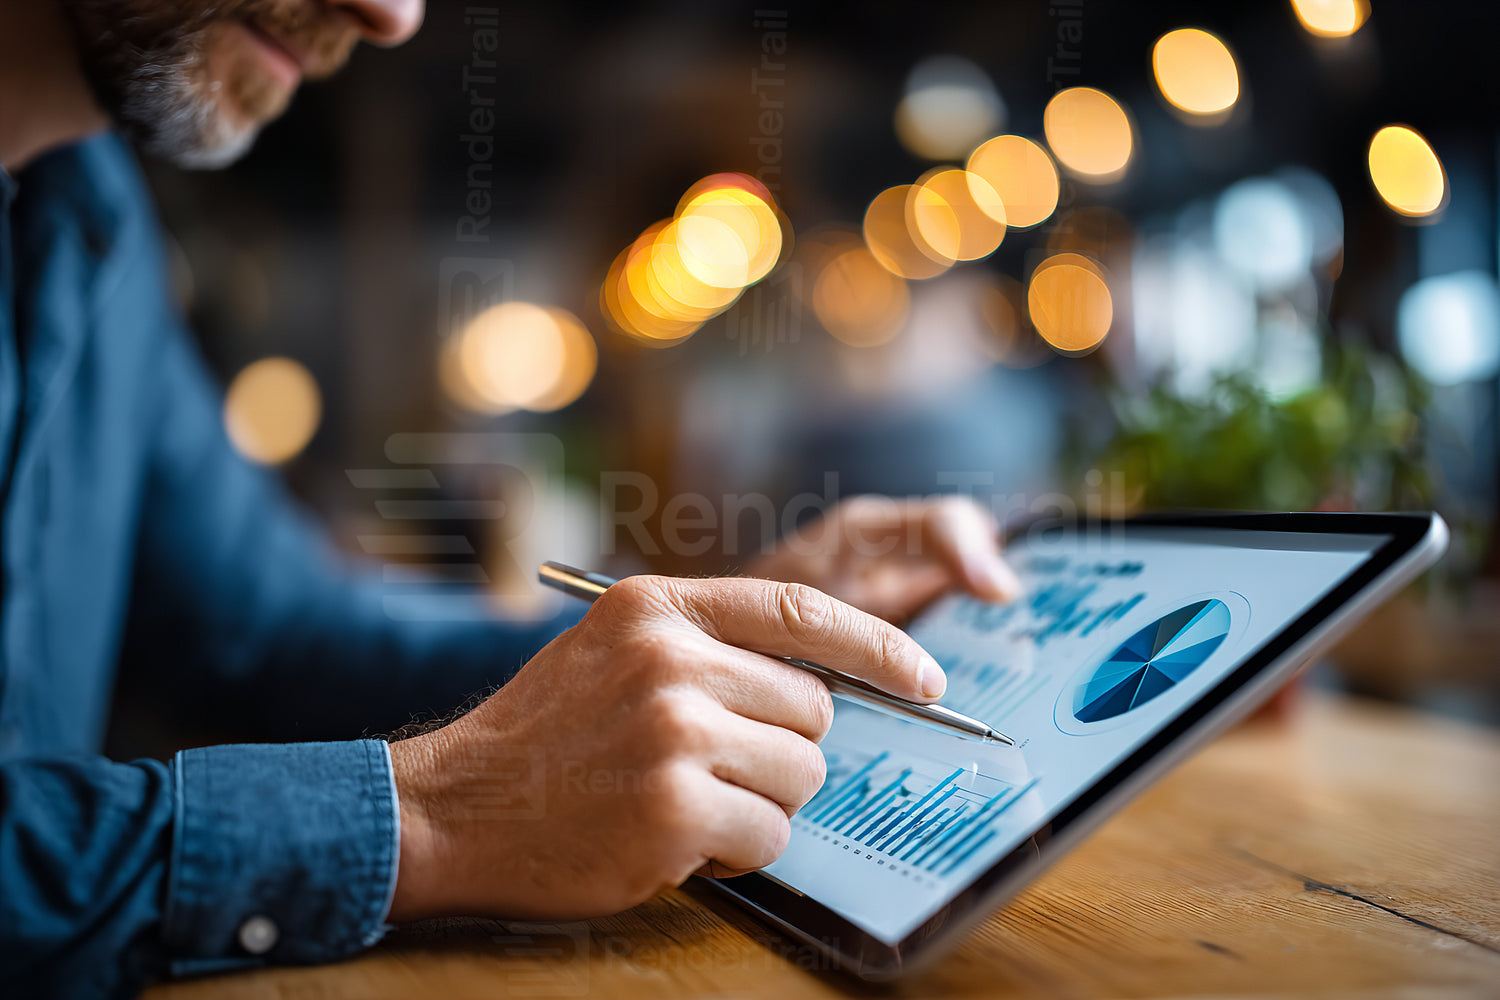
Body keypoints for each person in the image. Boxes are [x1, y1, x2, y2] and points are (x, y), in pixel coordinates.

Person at [0, 2, 1021, 996]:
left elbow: (274, 628)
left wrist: (708, 630)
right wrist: (431, 818)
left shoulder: (91, 211)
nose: (390, 16)